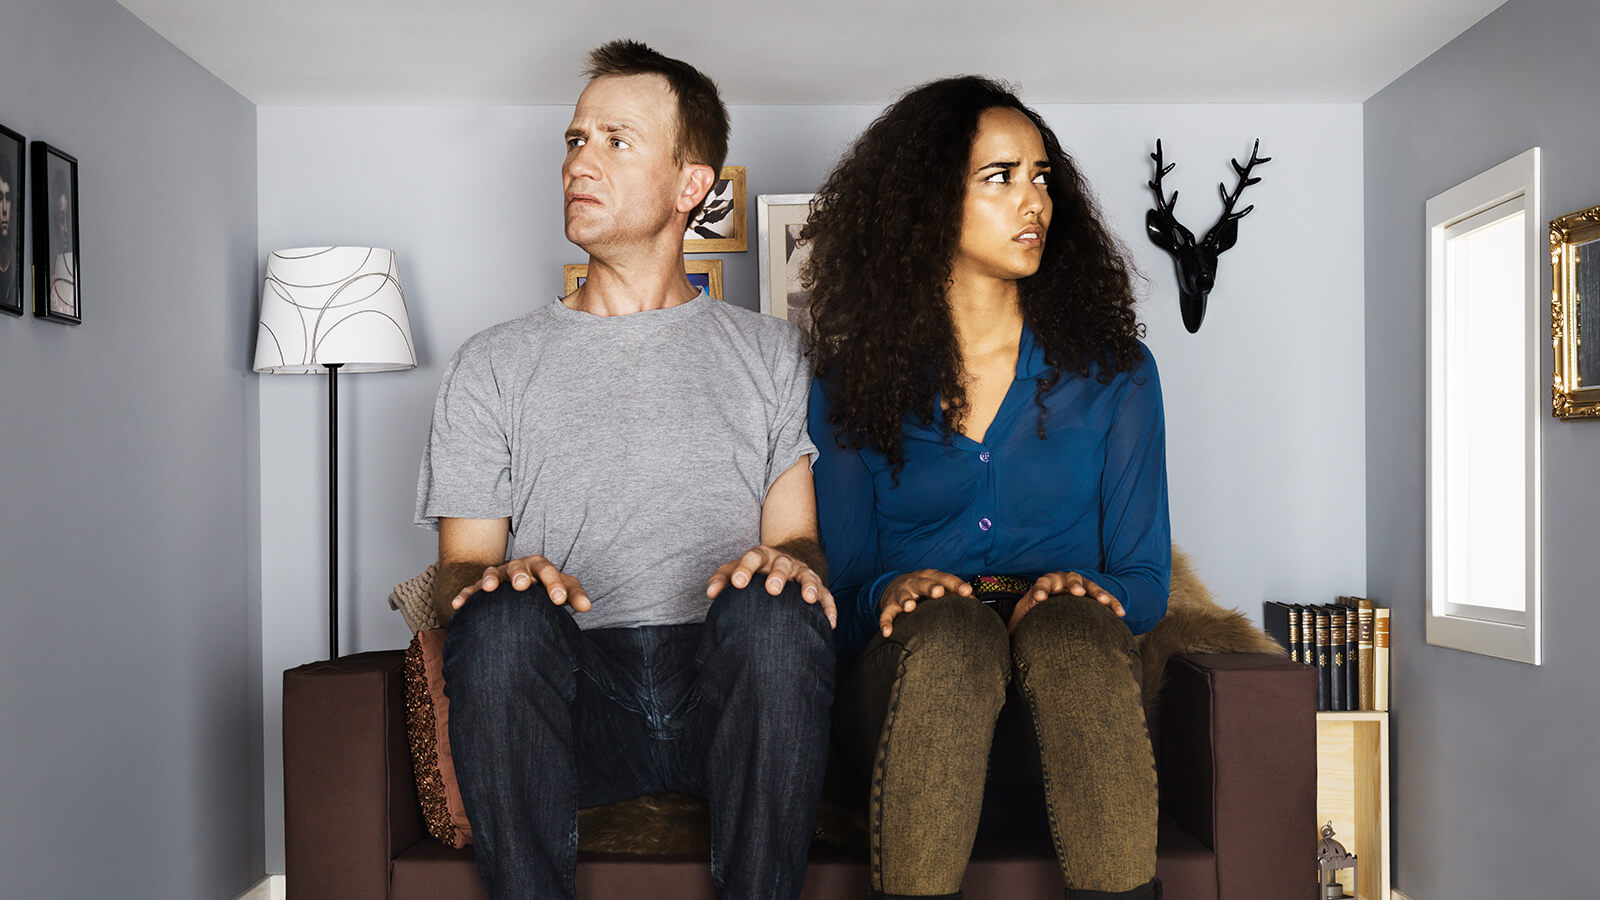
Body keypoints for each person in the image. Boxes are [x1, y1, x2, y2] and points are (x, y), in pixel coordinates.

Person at [415, 40, 836, 900]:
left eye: (615, 140)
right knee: (498, 619)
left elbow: (802, 543)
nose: (580, 162)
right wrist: (496, 580)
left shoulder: (773, 352)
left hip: (724, 687)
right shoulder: (491, 363)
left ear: (691, 187)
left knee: (779, 607)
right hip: (572, 698)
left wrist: (785, 565)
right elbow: (459, 567)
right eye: (574, 141)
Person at [804, 76, 1169, 900]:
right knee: (953, 637)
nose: (1032, 200)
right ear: (929, 205)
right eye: (999, 177)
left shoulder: (1116, 376)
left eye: (1041, 176)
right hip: (909, 701)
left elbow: (1145, 586)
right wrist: (896, 590)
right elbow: (845, 596)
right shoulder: (852, 383)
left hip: (1071, 717)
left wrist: (1082, 592)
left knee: (1073, 629)